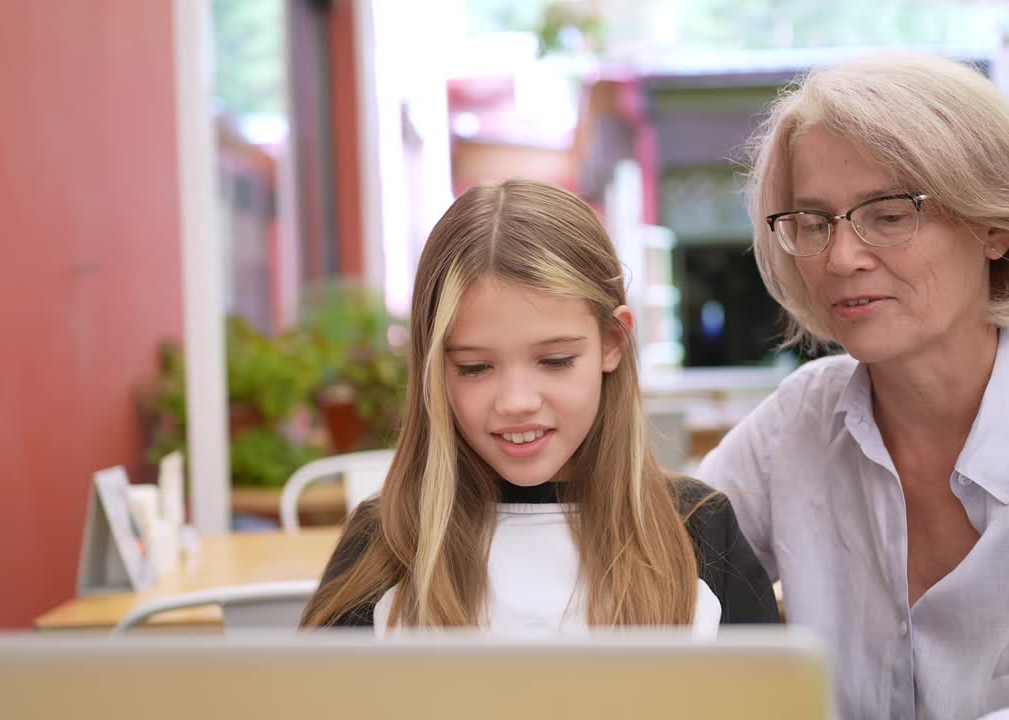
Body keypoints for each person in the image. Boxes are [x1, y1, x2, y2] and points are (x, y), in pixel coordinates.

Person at [698, 52, 1009, 719]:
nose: (841, 257)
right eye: (814, 222)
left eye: (890, 214)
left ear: (996, 224)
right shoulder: (798, 424)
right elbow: (644, 579)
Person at [302, 179, 778, 634]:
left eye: (555, 361)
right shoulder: (383, 544)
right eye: (474, 367)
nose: (516, 402)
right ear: (434, 368)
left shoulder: (700, 532)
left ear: (613, 342)